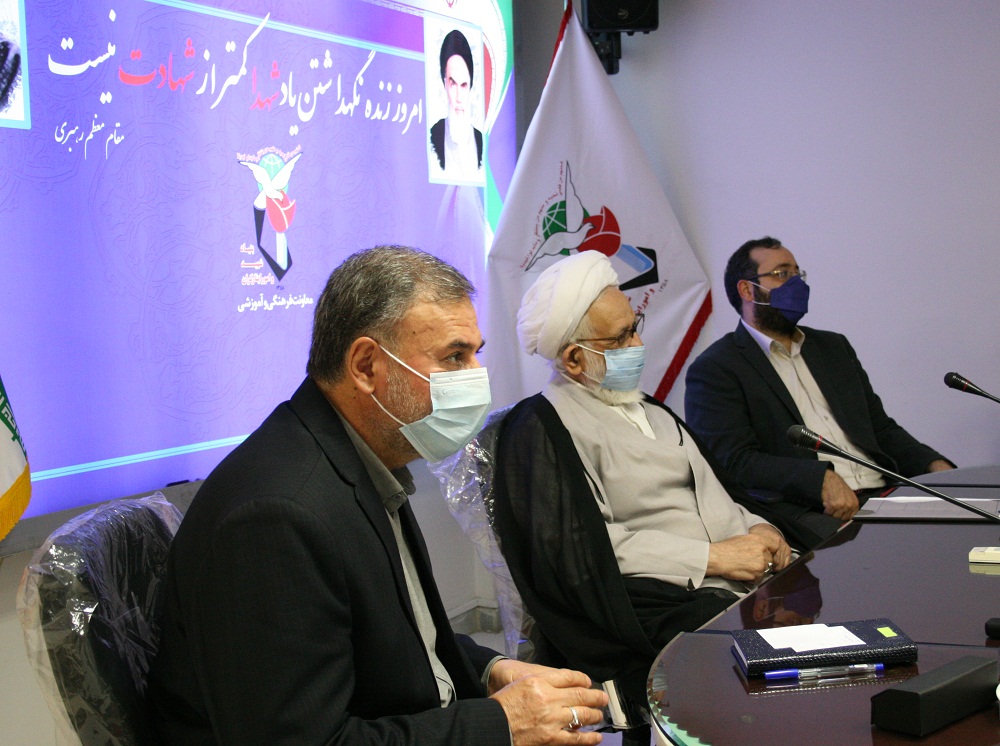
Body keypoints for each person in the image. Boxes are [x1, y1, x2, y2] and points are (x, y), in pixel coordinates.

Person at [146, 246, 608, 745]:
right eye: (455, 357)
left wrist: (491, 669)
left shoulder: (360, 459)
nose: (477, 376)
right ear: (366, 366)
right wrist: (501, 724)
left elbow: (396, 640)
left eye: (476, 354)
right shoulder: (276, 517)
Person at [492, 250, 821, 701]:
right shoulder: (543, 427)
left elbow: (716, 491)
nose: (638, 344)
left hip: (746, 574)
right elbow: (580, 554)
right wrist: (712, 558)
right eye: (621, 337)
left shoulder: (648, 407)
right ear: (573, 359)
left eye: (635, 326)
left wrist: (760, 527)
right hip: (667, 599)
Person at [685, 236, 953, 536]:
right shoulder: (716, 368)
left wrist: (934, 466)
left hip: (883, 494)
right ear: (747, 290)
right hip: (810, 510)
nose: (795, 283)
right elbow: (734, 461)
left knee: (965, 524)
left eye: (797, 273)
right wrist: (820, 480)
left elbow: (879, 428)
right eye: (782, 273)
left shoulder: (833, 348)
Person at [429, 29, 484, 180]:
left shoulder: (481, 141)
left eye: (464, 85)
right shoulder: (433, 135)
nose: (459, 97)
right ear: (444, 83)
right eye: (453, 84)